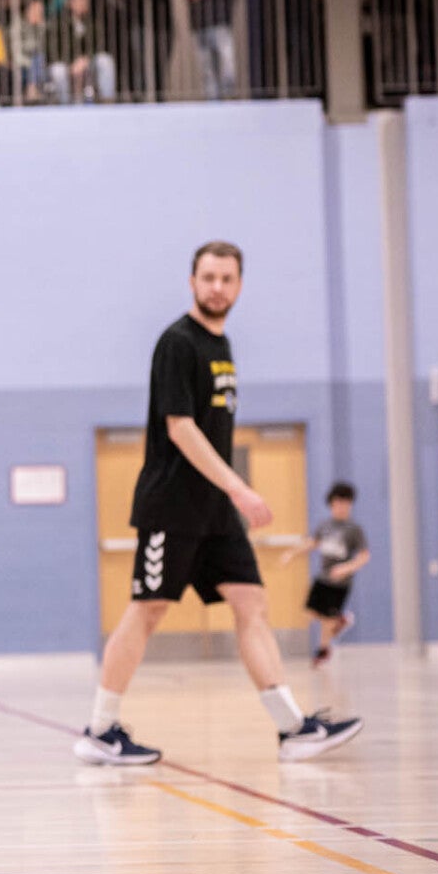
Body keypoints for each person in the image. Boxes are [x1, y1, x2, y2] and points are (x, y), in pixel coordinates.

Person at [74, 241, 363, 767]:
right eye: (208, 277)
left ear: (239, 285)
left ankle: (292, 728)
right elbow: (180, 427)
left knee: (252, 603)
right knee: (148, 609)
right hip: (172, 505)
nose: (217, 287)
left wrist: (226, 495)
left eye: (227, 279)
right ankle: (99, 730)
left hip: (214, 513)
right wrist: (238, 487)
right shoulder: (177, 343)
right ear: (192, 281)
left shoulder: (221, 344)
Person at [282, 482, 369, 666]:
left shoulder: (354, 529)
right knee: (312, 612)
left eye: (345, 503)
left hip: (340, 582)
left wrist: (346, 568)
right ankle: (339, 621)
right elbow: (312, 543)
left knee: (327, 619)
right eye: (338, 503)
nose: (341, 507)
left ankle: (323, 649)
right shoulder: (325, 526)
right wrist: (291, 554)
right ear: (331, 504)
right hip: (323, 578)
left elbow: (364, 556)